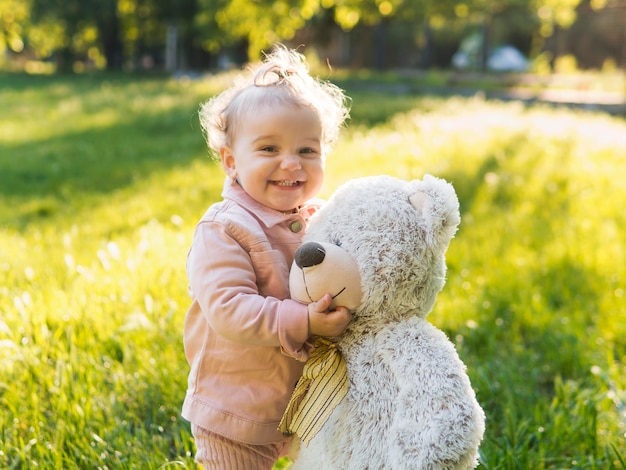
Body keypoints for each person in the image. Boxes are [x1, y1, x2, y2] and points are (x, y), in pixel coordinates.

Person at [182, 45, 352, 469]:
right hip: (236, 412)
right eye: (269, 149)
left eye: (307, 150)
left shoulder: (324, 220)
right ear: (231, 162)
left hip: (305, 407)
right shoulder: (224, 228)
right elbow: (228, 310)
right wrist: (305, 321)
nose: (290, 163)